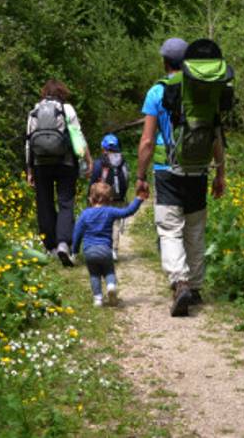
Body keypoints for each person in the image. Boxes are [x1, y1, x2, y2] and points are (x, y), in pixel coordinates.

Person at [135, 38, 226, 317]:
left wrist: (140, 176)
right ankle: (196, 287)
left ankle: (180, 281)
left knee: (170, 229)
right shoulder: (206, 90)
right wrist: (220, 173)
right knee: (195, 230)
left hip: (167, 171)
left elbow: (148, 141)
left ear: (165, 62)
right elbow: (217, 136)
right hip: (198, 169)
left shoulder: (157, 92)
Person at [25, 79, 91, 267]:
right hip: (66, 163)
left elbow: (29, 142)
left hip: (40, 163)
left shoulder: (34, 111)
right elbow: (78, 136)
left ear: (44, 93)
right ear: (62, 92)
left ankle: (50, 247)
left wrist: (29, 169)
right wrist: (88, 160)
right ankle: (63, 244)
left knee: (44, 203)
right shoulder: (67, 109)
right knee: (65, 202)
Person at [73, 182, 145, 306]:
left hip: (89, 251)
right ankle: (111, 286)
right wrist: (138, 199)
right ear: (110, 199)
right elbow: (127, 211)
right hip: (105, 250)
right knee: (109, 271)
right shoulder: (110, 211)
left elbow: (77, 233)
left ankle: (98, 299)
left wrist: (74, 251)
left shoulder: (85, 214)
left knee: (94, 274)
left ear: (91, 198)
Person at [89, 133, 130, 261]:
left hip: (102, 197)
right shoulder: (123, 161)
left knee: (100, 221)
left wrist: (90, 195)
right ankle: (114, 251)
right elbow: (127, 178)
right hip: (118, 197)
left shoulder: (100, 162)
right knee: (115, 224)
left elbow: (94, 179)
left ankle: (100, 248)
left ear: (103, 147)